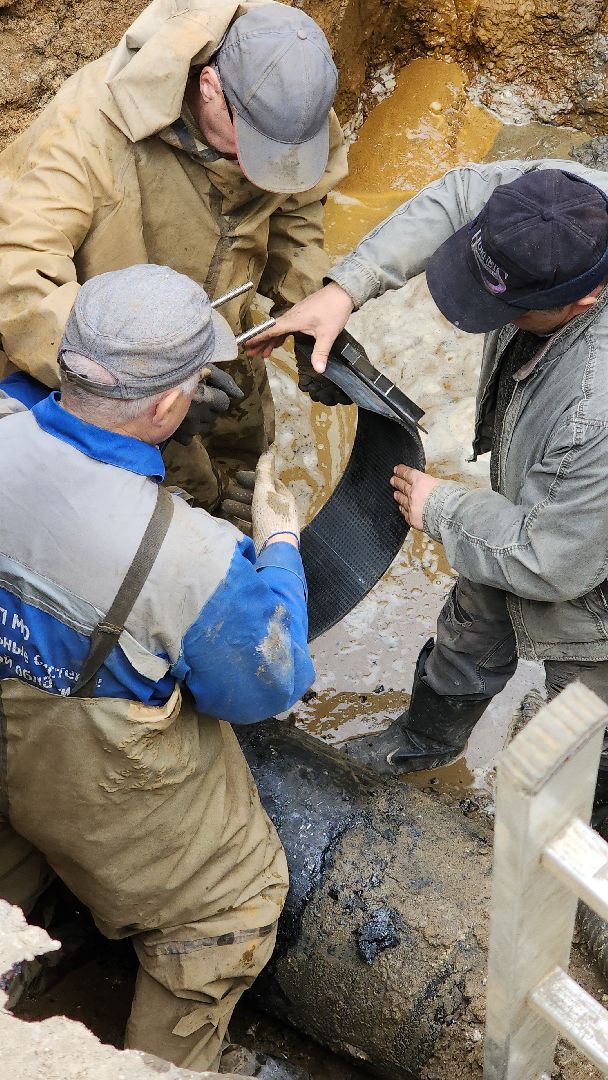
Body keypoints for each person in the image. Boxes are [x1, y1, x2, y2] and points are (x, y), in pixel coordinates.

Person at [0, 263, 314, 1077]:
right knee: (234, 906)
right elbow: (264, 683)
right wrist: (279, 544)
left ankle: (25, 942)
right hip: (88, 772)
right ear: (173, 404)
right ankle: (153, 1062)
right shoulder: (186, 557)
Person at [247, 161, 608, 804]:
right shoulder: (570, 204)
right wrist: (343, 288)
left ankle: (578, 836)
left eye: (513, 309)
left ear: (583, 299)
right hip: (538, 506)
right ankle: (422, 747)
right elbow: (459, 193)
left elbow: (556, 560)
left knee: (583, 722)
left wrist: (441, 507)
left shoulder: (593, 406)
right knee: (476, 615)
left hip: (584, 558)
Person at [0, 0, 348, 516]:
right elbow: (18, 279)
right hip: (121, 363)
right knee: (143, 505)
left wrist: (306, 303)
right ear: (209, 86)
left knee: (245, 465)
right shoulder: (84, 132)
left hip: (227, 334)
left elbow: (298, 210)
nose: (264, 175)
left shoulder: (288, 104)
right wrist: (138, 392)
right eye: (252, 152)